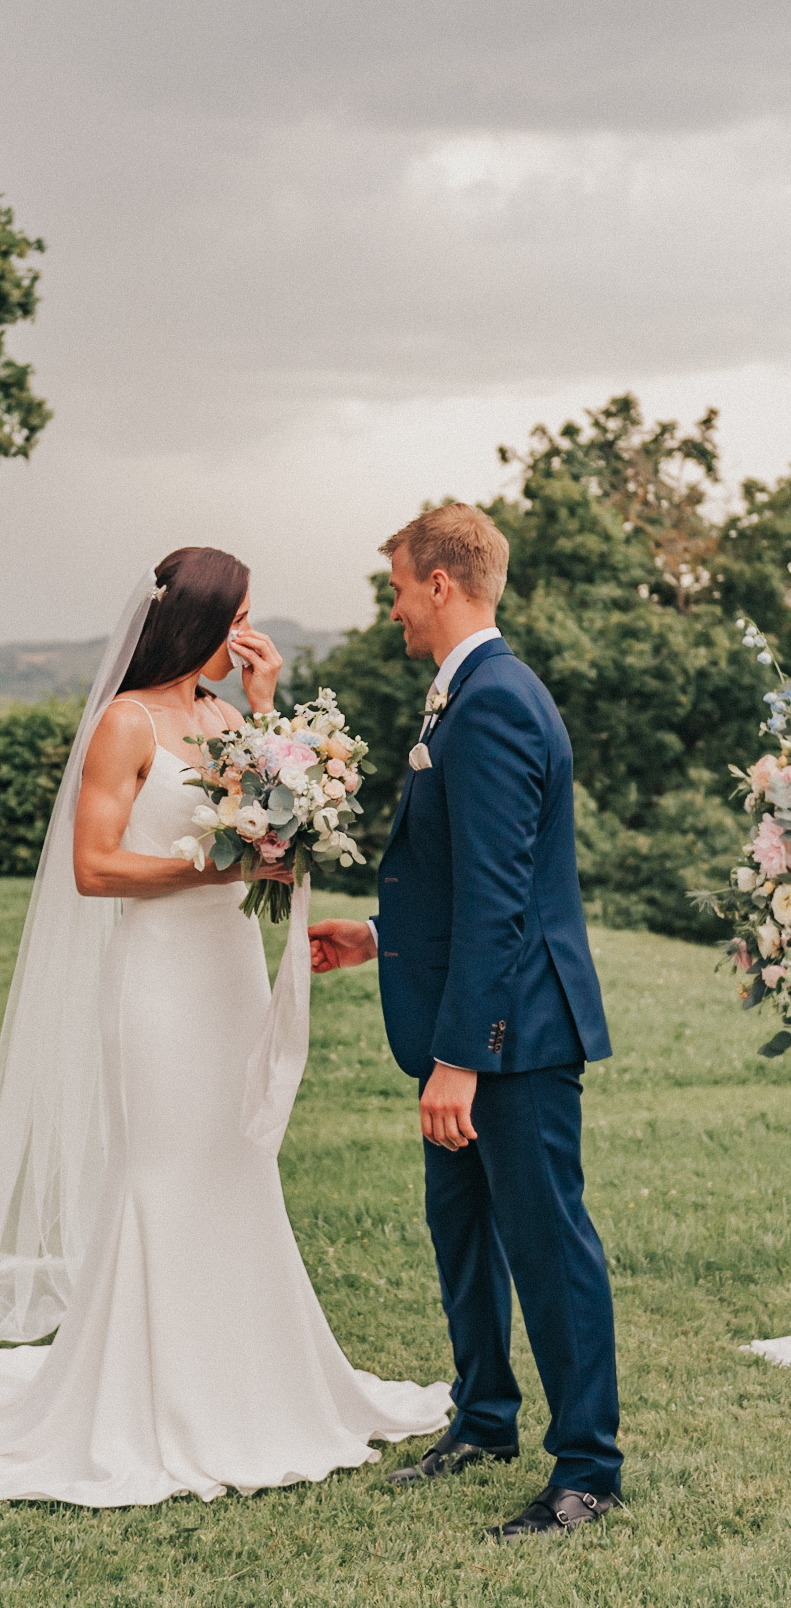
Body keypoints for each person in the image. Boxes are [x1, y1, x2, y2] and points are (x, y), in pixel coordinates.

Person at [0, 546, 450, 1507]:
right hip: (158, 978)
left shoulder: (228, 716)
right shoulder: (126, 721)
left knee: (236, 1163)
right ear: (199, 620)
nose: (247, 633)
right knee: (161, 1170)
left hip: (229, 973)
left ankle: (253, 1383)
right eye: (238, 616)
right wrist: (215, 869)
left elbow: (272, 814)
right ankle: (147, 1402)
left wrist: (271, 704)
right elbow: (95, 869)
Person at [309, 504, 624, 1541]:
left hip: (511, 1036)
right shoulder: (463, 698)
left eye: (398, 585)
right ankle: (482, 1419)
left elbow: (499, 899)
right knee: (462, 1234)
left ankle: (586, 1472)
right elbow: (459, 880)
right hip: (475, 1022)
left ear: (440, 583)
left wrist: (459, 1060)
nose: (393, 606)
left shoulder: (491, 704)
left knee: (546, 1245)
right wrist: (371, 930)